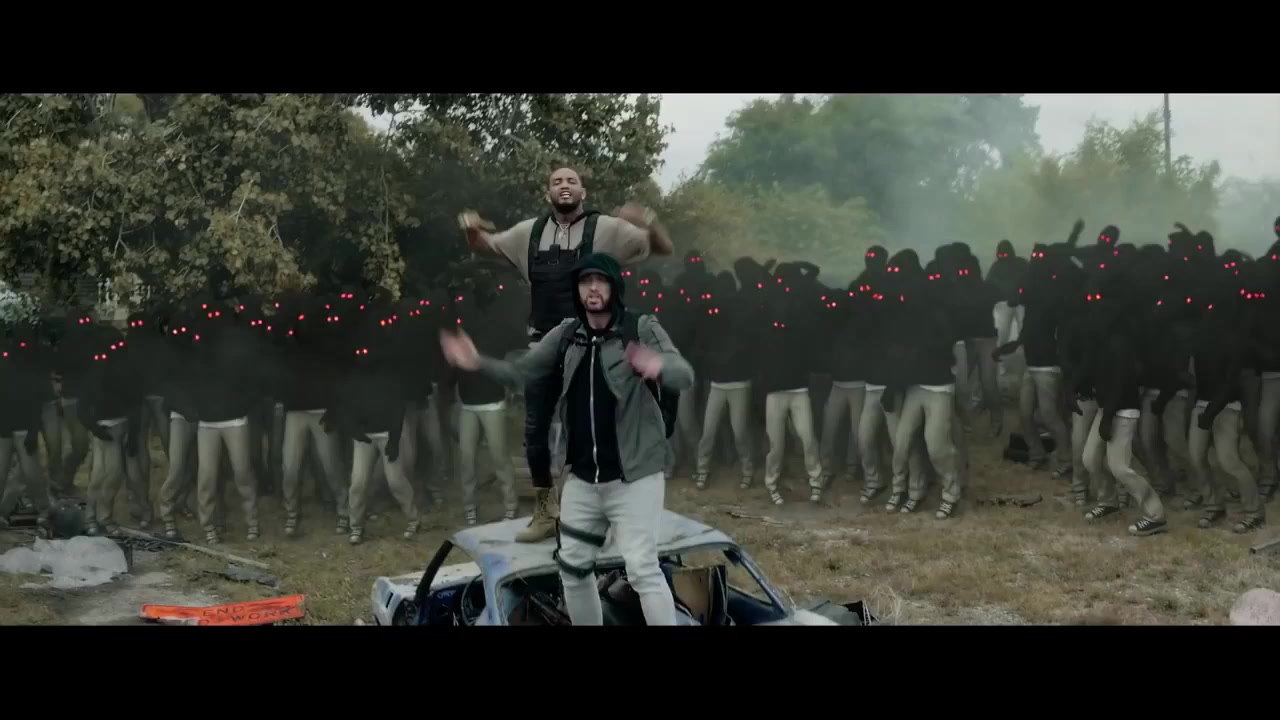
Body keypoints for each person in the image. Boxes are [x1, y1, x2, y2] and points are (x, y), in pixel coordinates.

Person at [440, 252, 694, 626]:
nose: (593, 288)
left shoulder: (639, 327)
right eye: (585, 282)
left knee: (641, 568)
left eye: (600, 280)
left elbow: (683, 374)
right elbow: (522, 372)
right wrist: (477, 362)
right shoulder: (566, 334)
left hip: (635, 474)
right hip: (583, 478)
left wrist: (656, 365)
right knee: (572, 568)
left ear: (614, 287)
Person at [457, 167, 674, 542]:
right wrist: (471, 228)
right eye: (557, 181)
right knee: (535, 430)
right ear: (548, 194)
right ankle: (546, 512)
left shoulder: (606, 229)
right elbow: (482, 245)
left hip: (592, 343)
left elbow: (663, 247)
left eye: (571, 181)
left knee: (597, 426)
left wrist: (648, 219)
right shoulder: (527, 233)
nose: (564, 185)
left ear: (583, 191)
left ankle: (608, 512)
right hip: (544, 343)